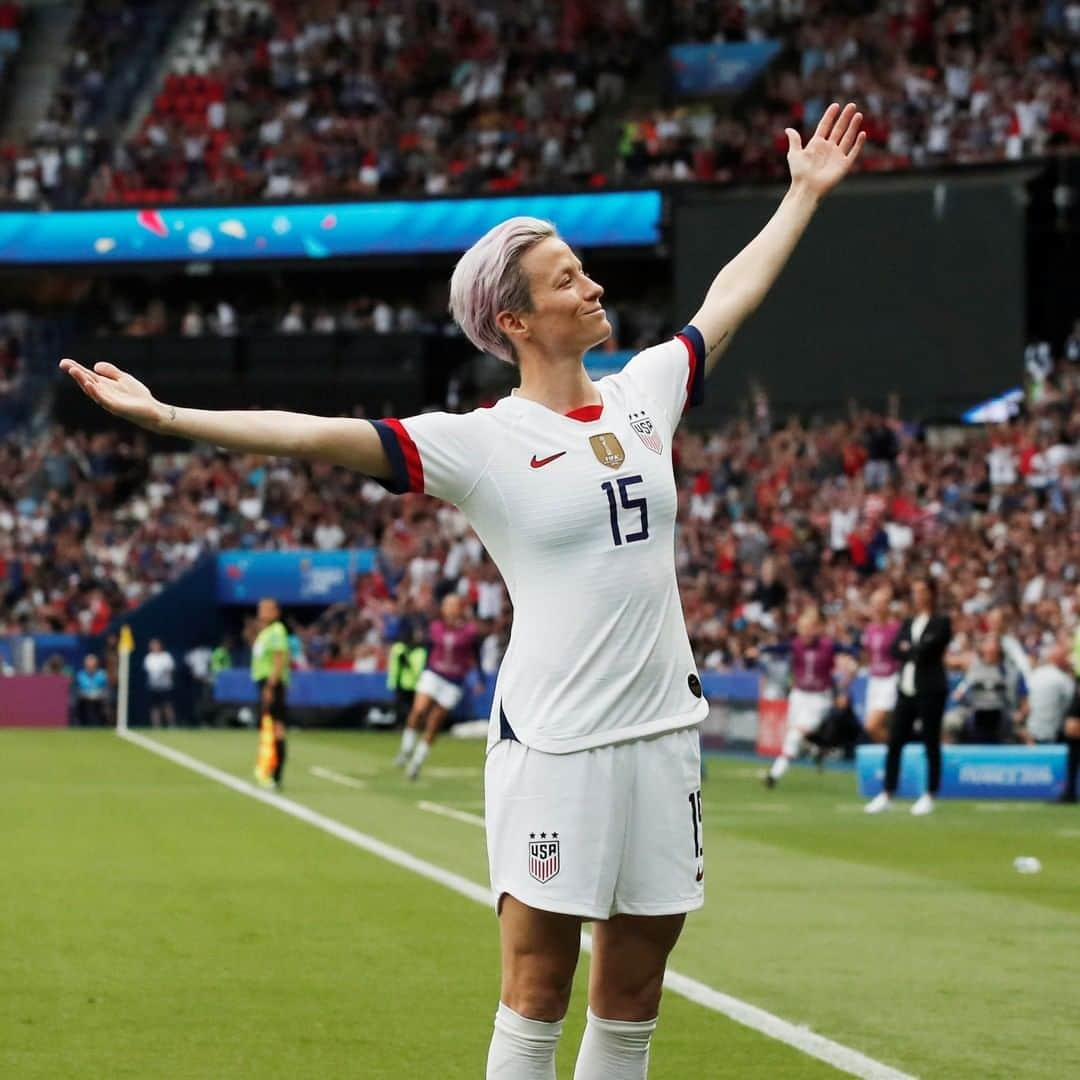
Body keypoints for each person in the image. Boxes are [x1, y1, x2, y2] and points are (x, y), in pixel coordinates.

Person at [59, 101, 866, 1079]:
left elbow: (728, 299)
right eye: (568, 278)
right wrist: (171, 415)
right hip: (557, 740)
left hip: (663, 731)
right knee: (538, 990)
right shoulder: (478, 443)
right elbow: (317, 432)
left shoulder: (644, 391)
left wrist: (804, 196)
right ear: (516, 319)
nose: (593, 284)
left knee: (635, 994)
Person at [865, 576, 952, 816]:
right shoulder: (909, 622)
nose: (918, 596)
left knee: (930, 741)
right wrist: (913, 650)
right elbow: (896, 649)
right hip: (906, 687)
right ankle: (887, 792)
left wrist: (911, 650)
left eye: (922, 590)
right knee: (895, 741)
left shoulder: (941, 622)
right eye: (915, 591)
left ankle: (930, 793)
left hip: (930, 688)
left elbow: (928, 651)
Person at [395, 593, 478, 780]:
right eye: (447, 604)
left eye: (453, 605)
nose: (449, 608)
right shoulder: (435, 627)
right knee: (419, 710)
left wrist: (479, 678)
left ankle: (417, 761)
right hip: (433, 674)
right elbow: (427, 647)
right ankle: (406, 749)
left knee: (434, 722)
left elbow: (476, 654)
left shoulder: (469, 631)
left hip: (454, 681)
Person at [764, 606, 839, 787]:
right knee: (794, 734)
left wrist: (842, 688)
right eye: (802, 627)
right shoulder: (795, 644)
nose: (805, 631)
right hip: (799, 695)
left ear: (818, 628)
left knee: (796, 735)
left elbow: (850, 654)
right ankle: (816, 750)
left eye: (810, 627)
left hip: (819, 698)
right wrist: (760, 649)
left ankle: (774, 775)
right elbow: (778, 649)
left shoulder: (828, 646)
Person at [952, 635, 1022, 744]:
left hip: (1003, 713)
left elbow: (1024, 700)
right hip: (976, 712)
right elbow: (962, 690)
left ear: (999, 651)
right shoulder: (974, 669)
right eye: (987, 652)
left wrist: (1020, 713)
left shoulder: (1010, 671)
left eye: (993, 651)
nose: (990, 655)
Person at [251, 597, 290, 789]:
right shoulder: (265, 632)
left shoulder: (276, 631)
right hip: (264, 682)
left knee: (276, 727)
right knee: (269, 726)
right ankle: (267, 769)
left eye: (266, 608)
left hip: (272, 683)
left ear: (275, 612)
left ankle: (276, 774)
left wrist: (270, 687)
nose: (261, 612)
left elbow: (278, 661)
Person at [862, 585, 901, 743]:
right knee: (878, 729)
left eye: (880, 603)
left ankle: (894, 754)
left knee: (872, 726)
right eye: (874, 603)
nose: (876, 607)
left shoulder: (895, 628)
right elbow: (868, 654)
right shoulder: (870, 629)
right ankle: (892, 758)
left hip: (890, 679)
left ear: (888, 606)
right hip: (874, 680)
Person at [1017, 641, 1074, 746]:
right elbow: (1071, 709)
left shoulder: (1035, 674)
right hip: (1053, 737)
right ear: (1061, 659)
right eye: (1067, 656)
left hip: (1031, 734)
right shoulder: (1064, 680)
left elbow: (1025, 706)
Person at [386, 619, 428, 727]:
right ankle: (401, 725)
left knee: (415, 708)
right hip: (401, 682)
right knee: (402, 707)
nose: (419, 635)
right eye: (417, 633)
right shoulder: (400, 647)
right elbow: (396, 664)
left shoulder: (421, 650)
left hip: (416, 683)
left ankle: (414, 725)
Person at [143, 638, 176, 728]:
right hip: (153, 686)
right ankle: (156, 726)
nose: (155, 647)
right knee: (154, 707)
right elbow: (149, 671)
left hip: (166, 686)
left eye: (156, 644)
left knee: (167, 705)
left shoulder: (166, 656)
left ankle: (171, 725)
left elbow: (170, 670)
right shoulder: (149, 657)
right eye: (153, 645)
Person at [74, 654, 108, 727]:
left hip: (99, 699)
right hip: (84, 700)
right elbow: (78, 689)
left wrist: (98, 694)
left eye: (92, 662)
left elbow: (105, 689)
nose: (90, 665)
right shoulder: (80, 675)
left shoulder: (102, 674)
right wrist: (86, 694)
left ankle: (101, 724)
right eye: (88, 662)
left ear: (96, 664)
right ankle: (82, 723)